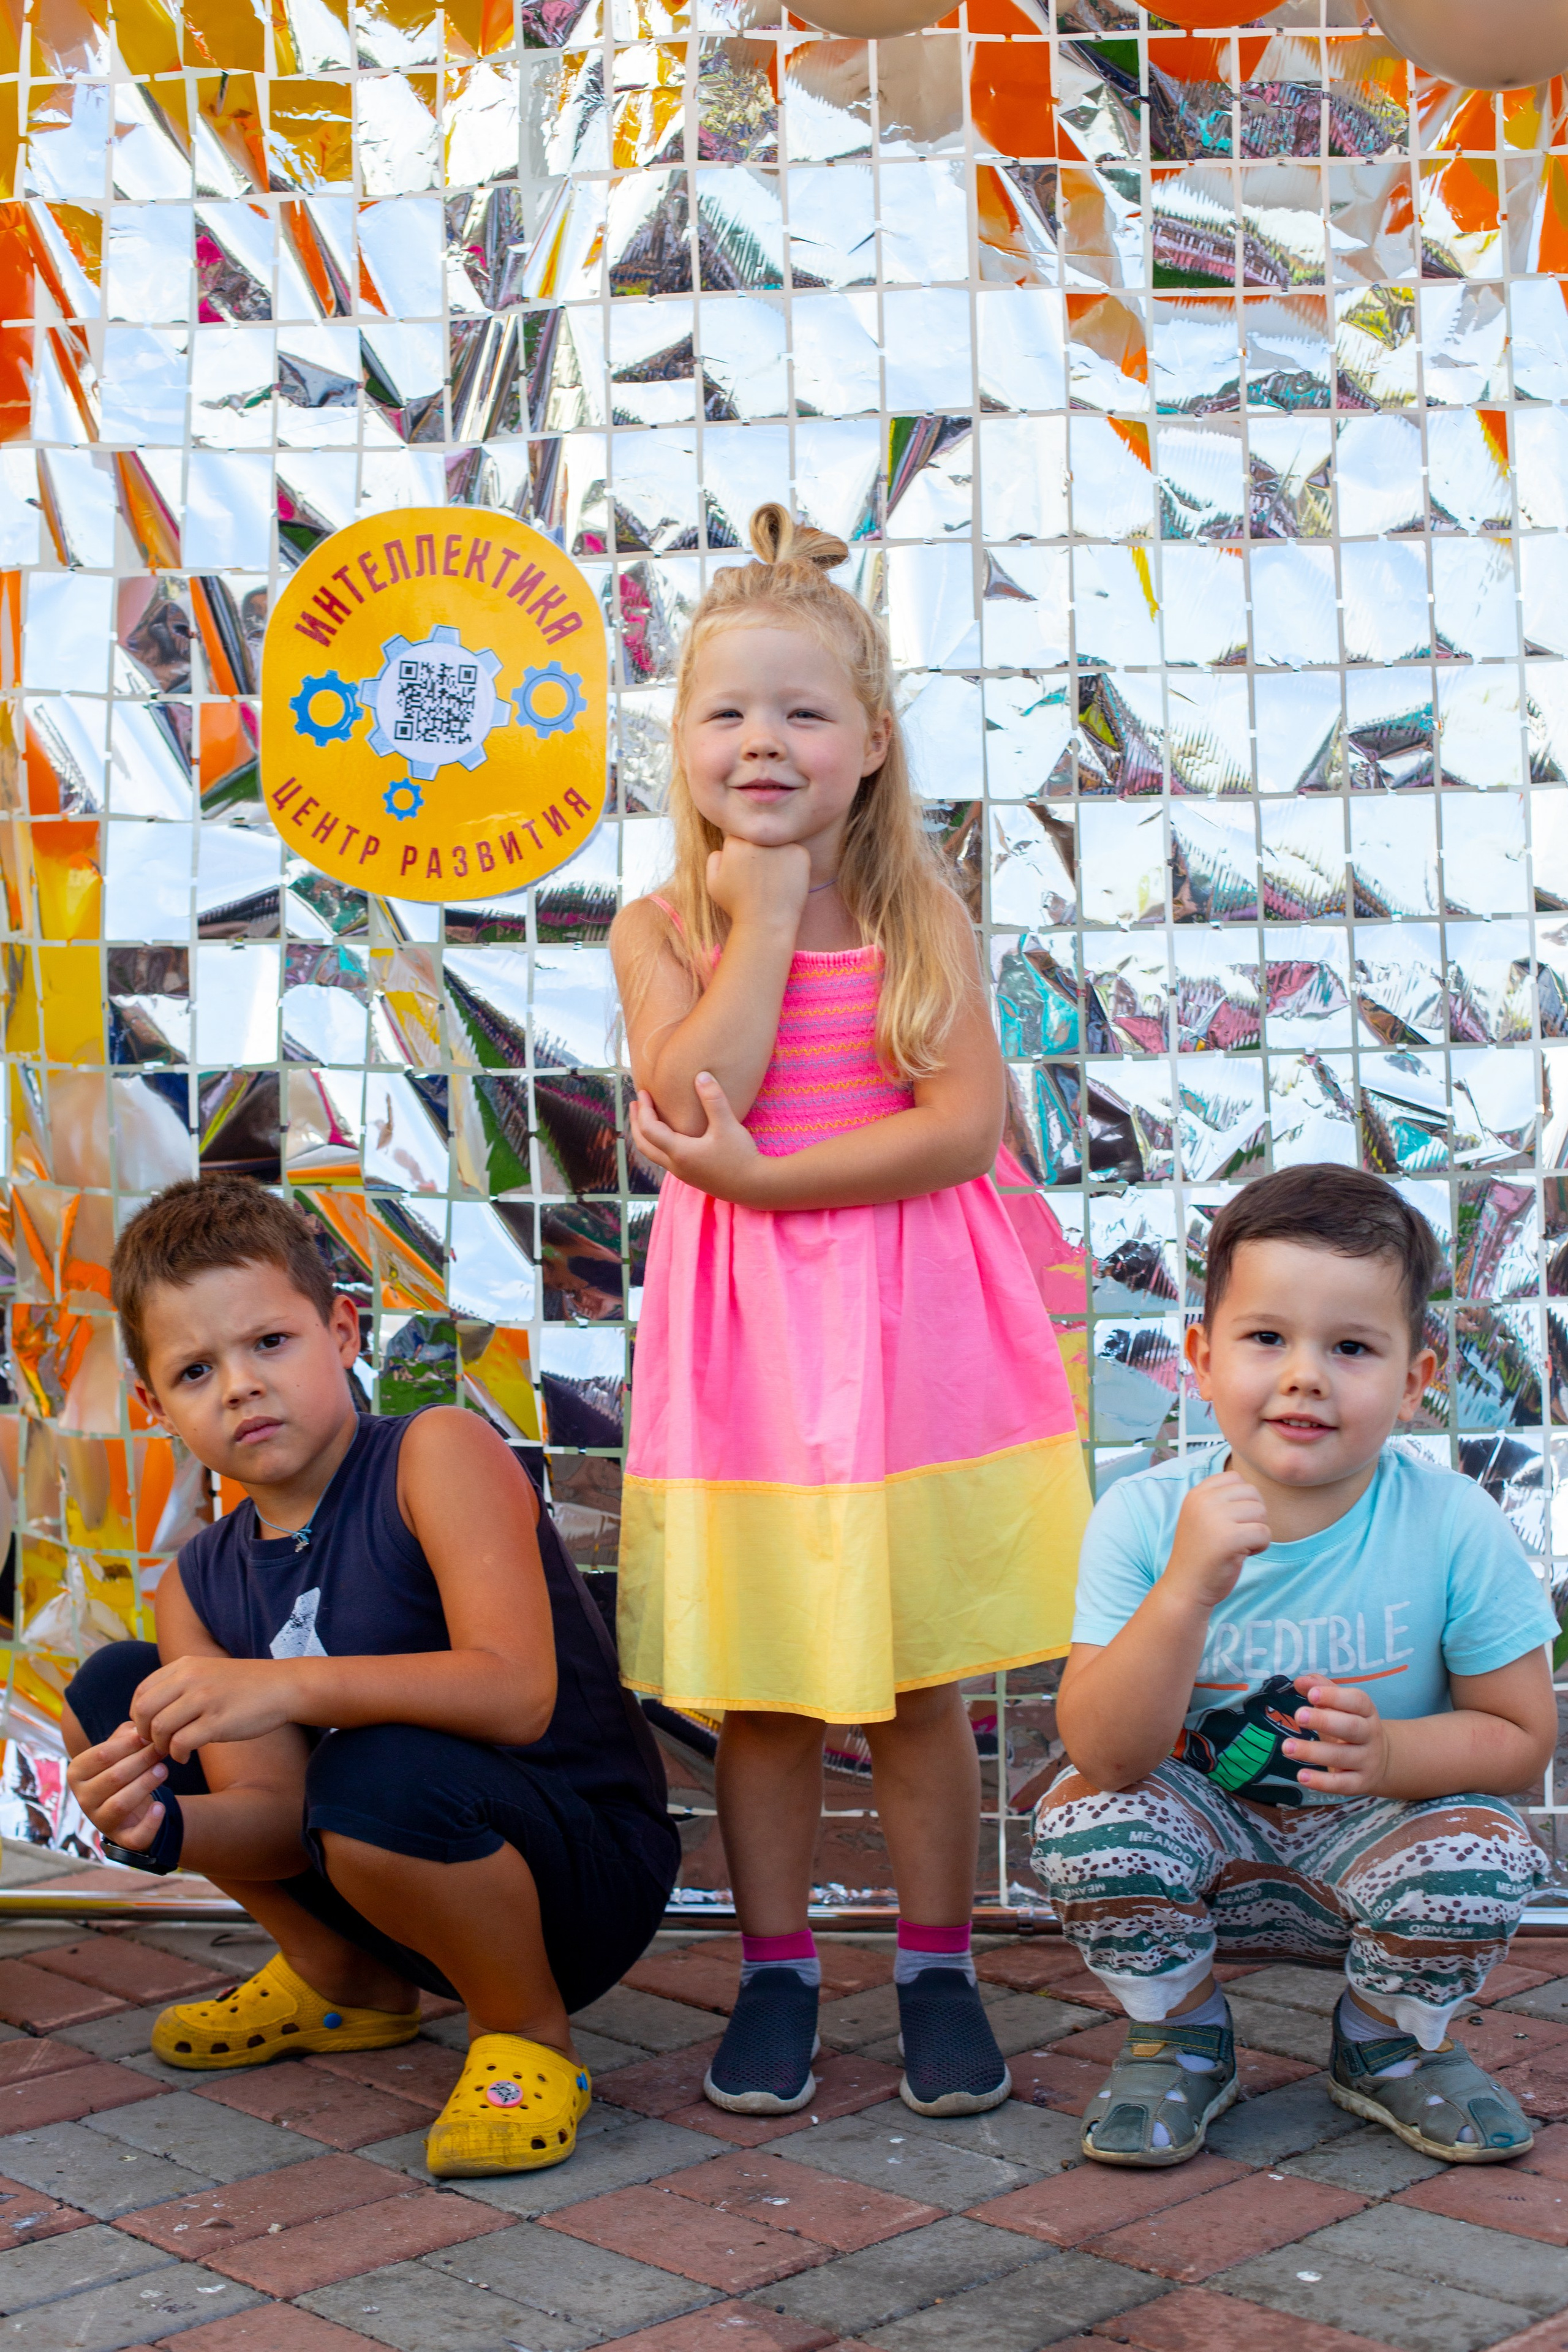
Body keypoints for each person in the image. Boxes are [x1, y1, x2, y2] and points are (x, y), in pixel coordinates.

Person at [610, 503, 1090, 2120]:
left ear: (871, 744)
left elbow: (963, 1126)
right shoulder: (665, 927)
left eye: (805, 712)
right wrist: (756, 909)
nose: (764, 740)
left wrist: (773, 1190)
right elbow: (695, 1094)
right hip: (750, 1351)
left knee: (910, 1679)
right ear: (678, 743)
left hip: (903, 1335)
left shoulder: (915, 915)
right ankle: (777, 1972)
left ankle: (939, 1964)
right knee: (762, 1679)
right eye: (727, 712)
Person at [61, 1178, 679, 2179]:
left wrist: (285, 1687)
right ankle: (342, 1979)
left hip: (576, 1873)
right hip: (381, 1866)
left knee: (372, 1770)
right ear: (154, 1404)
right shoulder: (200, 1581)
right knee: (125, 1695)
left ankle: (525, 2035)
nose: (240, 1387)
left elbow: (516, 1692)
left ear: (342, 1331)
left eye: (271, 1343)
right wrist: (159, 1831)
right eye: (194, 1370)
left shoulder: (435, 1452)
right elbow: (272, 1812)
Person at [1033, 1164, 1558, 2169]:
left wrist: (1394, 1754)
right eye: (1267, 1338)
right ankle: (1181, 2032)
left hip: (1374, 1837)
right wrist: (1185, 1590)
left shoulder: (1453, 1523)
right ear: (1201, 1357)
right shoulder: (1145, 1518)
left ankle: (1387, 2040)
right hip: (1207, 1835)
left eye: (1352, 1347)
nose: (1305, 1375)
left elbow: (1524, 1738)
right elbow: (1103, 1752)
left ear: (1416, 1381)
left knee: (1487, 1851)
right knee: (1081, 1822)